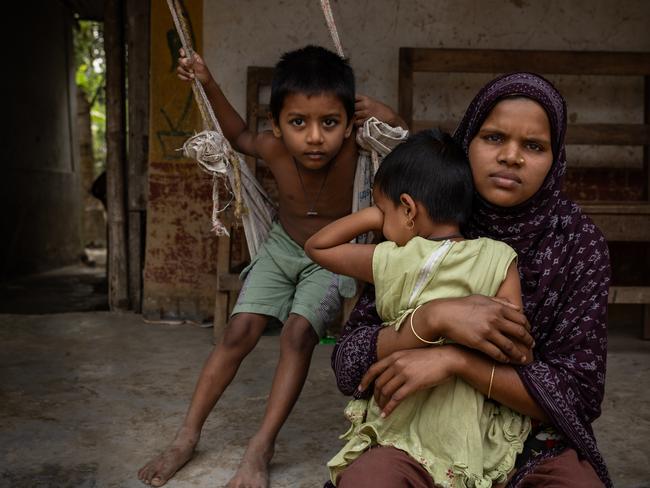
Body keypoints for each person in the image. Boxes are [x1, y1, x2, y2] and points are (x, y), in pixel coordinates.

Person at [137, 45, 405, 488]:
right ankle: (186, 437)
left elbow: (407, 145)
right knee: (238, 332)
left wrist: (389, 115)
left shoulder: (360, 152)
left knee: (298, 336)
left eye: (329, 123)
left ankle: (261, 445)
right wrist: (206, 80)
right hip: (279, 246)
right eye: (298, 123)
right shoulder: (273, 149)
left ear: (350, 124)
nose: (314, 137)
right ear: (278, 126)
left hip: (333, 255)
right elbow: (238, 134)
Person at [327, 72, 611, 487]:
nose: (511, 157)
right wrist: (432, 320)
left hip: (532, 442)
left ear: (555, 159)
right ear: (467, 143)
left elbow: (578, 395)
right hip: (420, 436)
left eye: (534, 146)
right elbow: (349, 363)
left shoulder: (578, 245)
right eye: (494, 138)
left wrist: (456, 362)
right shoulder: (418, 222)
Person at [305, 129, 533, 487]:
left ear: (408, 209)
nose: (382, 224)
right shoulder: (499, 257)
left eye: (385, 210)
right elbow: (516, 344)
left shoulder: (396, 260)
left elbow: (318, 246)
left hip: (402, 412)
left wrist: (372, 217)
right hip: (469, 422)